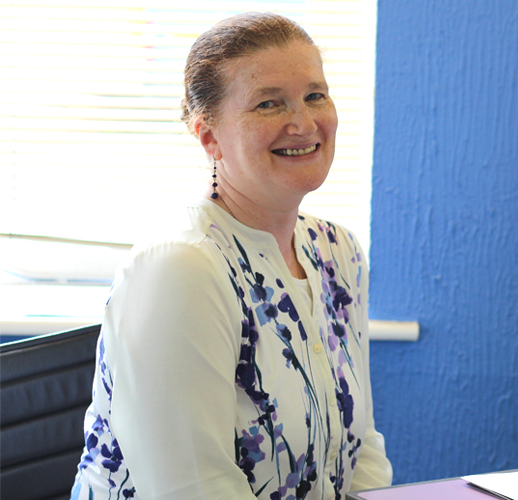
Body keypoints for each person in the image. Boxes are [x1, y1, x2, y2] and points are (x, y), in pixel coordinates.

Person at [71, 12, 392, 499]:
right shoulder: (181, 267)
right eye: (269, 103)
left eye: (314, 95)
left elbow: (360, 445)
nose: (303, 123)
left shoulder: (337, 250)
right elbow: (193, 489)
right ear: (208, 137)